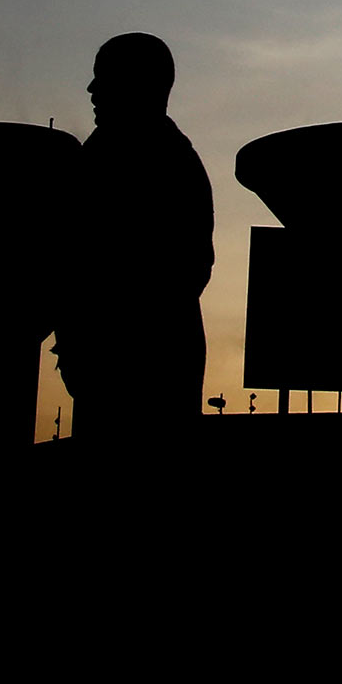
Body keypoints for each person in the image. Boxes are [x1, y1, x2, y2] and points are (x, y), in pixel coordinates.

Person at [54, 33, 214, 441]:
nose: (91, 90)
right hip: (116, 365)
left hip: (139, 372)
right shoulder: (108, 156)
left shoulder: (163, 163)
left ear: (137, 83)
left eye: (102, 77)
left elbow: (183, 270)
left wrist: (96, 340)